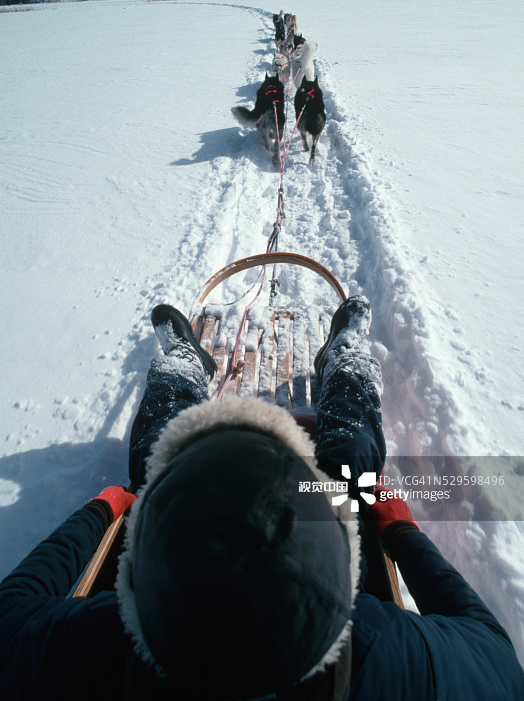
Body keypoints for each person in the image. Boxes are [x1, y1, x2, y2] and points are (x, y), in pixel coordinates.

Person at [0, 298, 522, 701]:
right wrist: (402, 532)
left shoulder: (97, 652)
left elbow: (13, 606)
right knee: (352, 468)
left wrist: (102, 509)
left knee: (154, 465)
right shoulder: (385, 658)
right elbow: (494, 654)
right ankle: (345, 363)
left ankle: (182, 372)